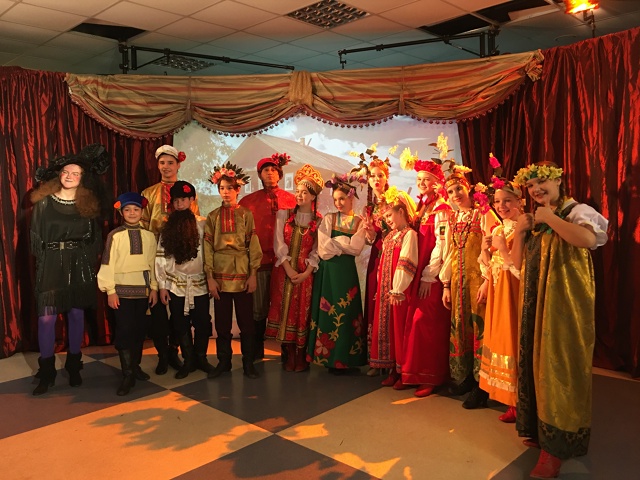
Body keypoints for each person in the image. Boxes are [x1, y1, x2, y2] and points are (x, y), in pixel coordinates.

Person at [510, 161, 608, 479]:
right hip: (536, 303)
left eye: (542, 181)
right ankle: (541, 431)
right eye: (530, 185)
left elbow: (589, 240)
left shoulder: (575, 211)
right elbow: (517, 263)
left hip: (565, 306)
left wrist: (551, 218)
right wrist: (520, 232)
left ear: (557, 181)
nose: (536, 189)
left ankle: (556, 448)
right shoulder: (534, 219)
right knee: (535, 365)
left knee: (559, 369)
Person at [29, 143, 110, 396]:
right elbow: (35, 238)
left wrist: (86, 264)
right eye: (66, 172)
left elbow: (95, 240)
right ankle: (47, 371)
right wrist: (44, 265)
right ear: (59, 174)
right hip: (51, 262)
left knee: (76, 315)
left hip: (79, 263)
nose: (70, 176)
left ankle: (74, 366)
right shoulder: (43, 203)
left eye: (76, 173)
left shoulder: (88, 204)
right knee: (46, 318)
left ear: (82, 178)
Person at [441, 165, 500, 409]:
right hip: (458, 283)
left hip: (478, 283)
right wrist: (446, 285)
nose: (455, 195)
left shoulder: (484, 214)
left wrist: (487, 281)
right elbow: (449, 253)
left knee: (480, 329)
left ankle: (482, 385)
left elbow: (495, 249)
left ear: (469, 189)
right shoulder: (452, 218)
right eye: (450, 191)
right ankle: (466, 377)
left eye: (459, 189)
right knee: (462, 328)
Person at [141, 144, 199, 375]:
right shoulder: (148, 193)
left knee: (178, 310)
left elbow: (194, 223)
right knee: (157, 310)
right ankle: (162, 355)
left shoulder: (185, 192)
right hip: (155, 258)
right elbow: (144, 226)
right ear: (157, 165)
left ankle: (174, 351)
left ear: (178, 165)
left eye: (170, 163)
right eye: (162, 163)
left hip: (180, 260)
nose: (166, 167)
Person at [400, 151, 452, 397]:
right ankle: (413, 373)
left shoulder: (441, 208)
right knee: (416, 321)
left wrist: (429, 276)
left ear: (436, 183)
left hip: (432, 275)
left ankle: (431, 376)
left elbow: (442, 244)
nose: (421, 183)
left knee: (427, 323)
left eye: (426, 180)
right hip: (420, 271)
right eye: (419, 179)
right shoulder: (423, 206)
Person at [204, 162, 262, 379]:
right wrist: (210, 277)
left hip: (243, 272)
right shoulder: (213, 216)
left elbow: (253, 245)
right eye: (222, 188)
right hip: (220, 274)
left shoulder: (246, 214)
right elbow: (208, 248)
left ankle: (248, 363)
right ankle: (224, 362)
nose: (225, 192)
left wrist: (253, 274)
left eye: (230, 188)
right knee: (222, 324)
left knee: (247, 323)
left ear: (238, 189)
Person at [98, 193, 158, 396]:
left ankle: (135, 367)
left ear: (142, 212)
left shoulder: (149, 236)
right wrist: (110, 291)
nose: (132, 213)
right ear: (121, 213)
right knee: (124, 331)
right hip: (121, 292)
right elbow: (107, 263)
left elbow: (153, 264)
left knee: (139, 331)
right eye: (127, 210)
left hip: (142, 291)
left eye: (136, 209)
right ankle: (127, 374)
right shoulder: (115, 235)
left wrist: (154, 288)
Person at [307, 173, 368, 373]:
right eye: (335, 200)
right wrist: (344, 244)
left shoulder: (359, 222)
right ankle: (330, 360)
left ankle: (348, 359)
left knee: (348, 312)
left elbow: (356, 248)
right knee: (329, 310)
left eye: (342, 199)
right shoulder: (329, 219)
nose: (338, 203)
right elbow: (324, 249)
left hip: (347, 272)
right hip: (329, 272)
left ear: (351, 198)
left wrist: (337, 244)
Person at [477, 160, 523, 422]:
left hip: (513, 292)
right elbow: (489, 263)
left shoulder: (523, 229)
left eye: (507, 201)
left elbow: (520, 267)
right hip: (498, 291)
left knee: (512, 339)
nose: (501, 206)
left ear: (519, 201)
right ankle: (506, 398)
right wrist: (486, 250)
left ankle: (519, 400)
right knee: (498, 338)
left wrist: (502, 249)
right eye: (497, 202)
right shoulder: (497, 228)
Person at [265, 164, 323, 372]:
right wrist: (289, 269)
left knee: (301, 313)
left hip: (305, 274)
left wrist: (306, 272)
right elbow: (278, 243)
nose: (299, 195)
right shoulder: (284, 214)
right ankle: (288, 353)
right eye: (297, 191)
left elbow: (317, 249)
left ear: (313, 196)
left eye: (304, 192)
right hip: (284, 271)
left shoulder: (319, 220)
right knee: (284, 309)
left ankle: (301, 354)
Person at [238, 153, 296, 360]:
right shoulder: (247, 201)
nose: (270, 173)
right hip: (260, 263)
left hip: (285, 264)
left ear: (279, 174)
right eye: (265, 170)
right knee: (258, 310)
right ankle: (255, 352)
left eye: (273, 170)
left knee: (286, 307)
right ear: (260, 175)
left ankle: (288, 353)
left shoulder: (292, 200)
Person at [156, 181, 212, 380]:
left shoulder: (202, 224)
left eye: (184, 200)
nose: (179, 204)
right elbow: (161, 257)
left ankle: (201, 358)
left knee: (203, 322)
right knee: (180, 323)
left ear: (192, 200)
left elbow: (209, 254)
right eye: (176, 200)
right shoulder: (167, 228)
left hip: (200, 284)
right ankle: (188, 360)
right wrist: (162, 286)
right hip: (176, 284)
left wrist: (212, 278)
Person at [369, 187, 419, 388]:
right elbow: (382, 264)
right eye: (385, 217)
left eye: (390, 215)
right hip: (386, 291)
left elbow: (407, 262)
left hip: (399, 292)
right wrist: (380, 287)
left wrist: (398, 288)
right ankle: (391, 369)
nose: (388, 220)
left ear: (401, 212)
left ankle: (403, 372)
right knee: (388, 329)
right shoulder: (390, 237)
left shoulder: (409, 234)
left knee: (399, 330)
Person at [357, 148, 392, 377]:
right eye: (373, 176)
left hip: (394, 255)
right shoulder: (369, 208)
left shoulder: (396, 200)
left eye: (380, 175)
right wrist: (369, 231)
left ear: (387, 178)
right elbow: (371, 240)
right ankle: (375, 358)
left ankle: (392, 359)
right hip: (377, 256)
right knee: (373, 301)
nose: (376, 179)